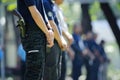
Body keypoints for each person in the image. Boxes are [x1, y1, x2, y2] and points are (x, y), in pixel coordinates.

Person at [17, 0, 54, 80]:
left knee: (39, 73)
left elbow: (42, 12)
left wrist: (49, 30)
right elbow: (34, 12)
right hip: (32, 35)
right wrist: (48, 33)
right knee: (34, 73)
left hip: (40, 34)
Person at [42, 0, 67, 80]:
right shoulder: (46, 3)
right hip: (52, 43)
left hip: (56, 42)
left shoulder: (51, 4)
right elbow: (51, 24)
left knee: (56, 72)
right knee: (50, 72)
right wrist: (60, 41)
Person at [54, 0, 74, 80]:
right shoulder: (53, 7)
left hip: (63, 44)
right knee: (59, 70)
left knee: (63, 69)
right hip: (58, 43)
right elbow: (56, 26)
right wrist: (68, 36)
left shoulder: (59, 9)